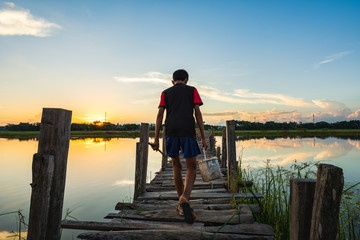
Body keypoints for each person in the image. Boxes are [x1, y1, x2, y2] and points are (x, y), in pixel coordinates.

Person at [151, 69, 208, 224]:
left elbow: (159, 115)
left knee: (176, 165)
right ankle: (185, 198)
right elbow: (198, 113)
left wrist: (156, 139)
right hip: (187, 130)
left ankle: (181, 203)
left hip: (171, 131)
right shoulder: (192, 90)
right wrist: (203, 137)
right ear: (187, 80)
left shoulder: (165, 92)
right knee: (191, 167)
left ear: (172, 81)